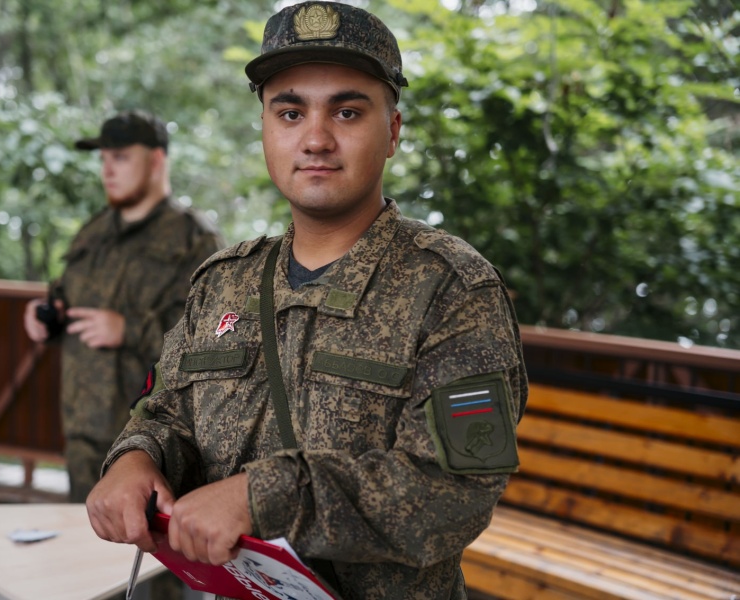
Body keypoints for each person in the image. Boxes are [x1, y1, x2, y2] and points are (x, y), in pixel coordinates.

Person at [86, 3, 528, 599]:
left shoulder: (452, 289)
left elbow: (456, 490)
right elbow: (165, 414)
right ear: (266, 129)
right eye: (290, 113)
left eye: (347, 112)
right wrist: (135, 459)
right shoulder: (223, 282)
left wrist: (263, 496)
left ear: (393, 132)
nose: (316, 139)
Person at [23, 109, 224, 503]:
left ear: (156, 160)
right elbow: (65, 296)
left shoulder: (194, 239)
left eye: (120, 157)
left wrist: (128, 330)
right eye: (103, 159)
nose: (107, 170)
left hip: (152, 442)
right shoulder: (95, 231)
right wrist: (46, 316)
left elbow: (213, 335)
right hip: (83, 429)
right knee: (84, 536)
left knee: (144, 543)